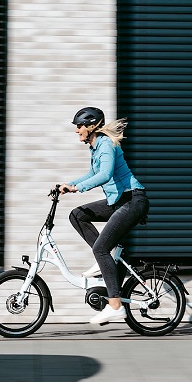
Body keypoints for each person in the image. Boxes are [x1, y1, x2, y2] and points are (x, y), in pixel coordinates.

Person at [59, 106, 149, 325]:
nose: (76, 130)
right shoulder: (95, 146)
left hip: (132, 201)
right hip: (119, 201)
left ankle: (115, 305)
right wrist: (71, 184)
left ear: (91, 126)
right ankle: (104, 262)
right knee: (77, 215)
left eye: (79, 126)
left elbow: (104, 175)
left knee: (100, 248)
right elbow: (92, 173)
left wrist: (78, 189)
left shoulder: (106, 144)